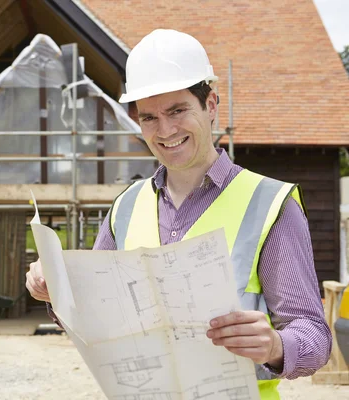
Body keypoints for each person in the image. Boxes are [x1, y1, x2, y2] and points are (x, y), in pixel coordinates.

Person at [25, 29, 331, 398]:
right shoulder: (126, 206)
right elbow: (94, 316)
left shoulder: (270, 204)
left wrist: (276, 346)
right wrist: (55, 289)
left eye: (177, 111)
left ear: (212, 104)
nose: (165, 130)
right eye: (149, 117)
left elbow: (314, 336)